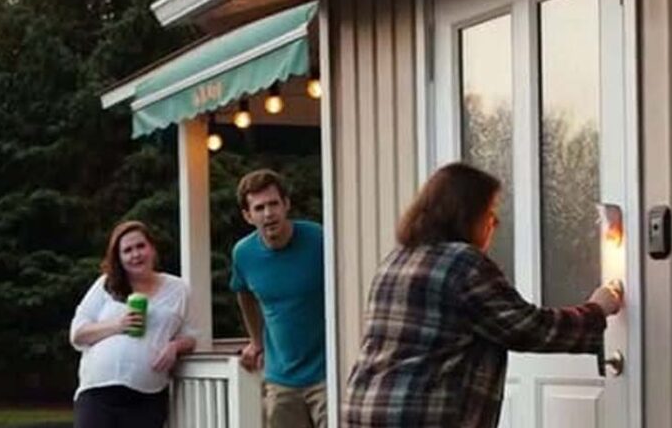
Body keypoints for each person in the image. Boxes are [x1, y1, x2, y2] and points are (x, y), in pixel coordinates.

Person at [342, 163, 624, 428]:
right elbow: (528, 328)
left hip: (366, 407)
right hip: (419, 414)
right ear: (465, 214)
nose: (495, 222)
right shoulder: (462, 262)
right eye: (489, 211)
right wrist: (597, 309)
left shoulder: (397, 259)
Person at [70, 220, 198, 428]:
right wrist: (118, 325)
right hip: (98, 394)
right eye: (127, 250)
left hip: (146, 398)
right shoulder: (106, 285)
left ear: (152, 248)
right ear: (119, 258)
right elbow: (77, 333)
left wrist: (175, 347)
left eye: (140, 246)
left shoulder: (178, 289)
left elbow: (192, 336)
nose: (136, 254)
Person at [230, 169, 327, 428]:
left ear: (286, 204)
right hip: (281, 378)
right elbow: (243, 293)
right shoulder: (244, 254)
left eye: (273, 204)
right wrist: (256, 341)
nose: (268, 213)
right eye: (259, 208)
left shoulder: (319, 239)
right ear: (248, 216)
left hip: (327, 373)